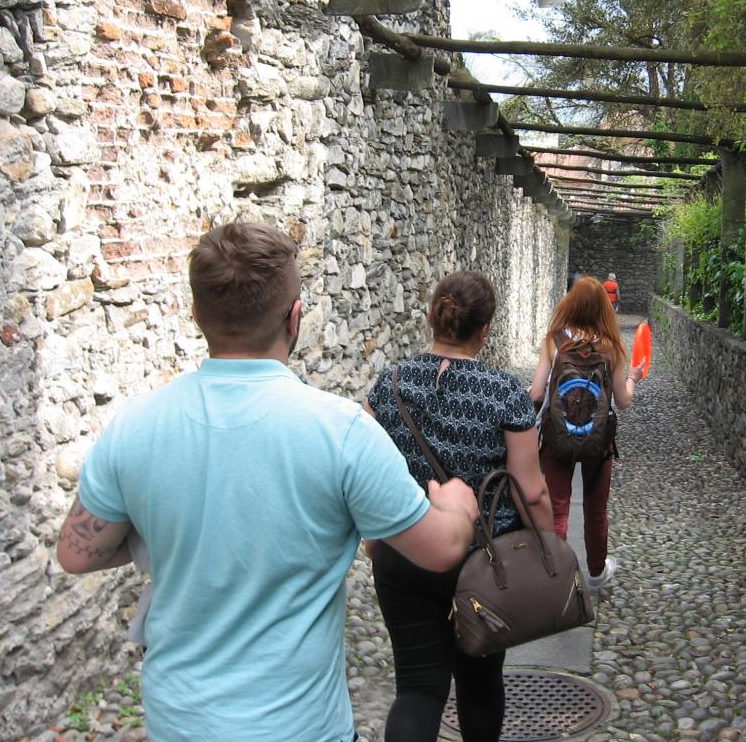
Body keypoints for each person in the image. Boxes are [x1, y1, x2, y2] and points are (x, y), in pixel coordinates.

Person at [55, 222, 478, 742]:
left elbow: (77, 554)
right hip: (300, 727)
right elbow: (440, 550)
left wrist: (167, 531)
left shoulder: (135, 425)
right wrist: (456, 505)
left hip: (178, 722)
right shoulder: (341, 432)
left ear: (197, 315)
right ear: (295, 317)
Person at [363, 271, 554, 742]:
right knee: (480, 681)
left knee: (416, 687)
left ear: (432, 318)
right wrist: (547, 548)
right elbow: (530, 491)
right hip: (484, 563)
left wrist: (373, 539)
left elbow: (364, 475)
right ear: (485, 329)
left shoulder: (386, 385)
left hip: (405, 549)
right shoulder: (505, 392)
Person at [530, 276, 644, 595]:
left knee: (557, 508)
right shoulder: (611, 346)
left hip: (556, 437)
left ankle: (555, 579)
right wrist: (633, 377)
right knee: (595, 509)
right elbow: (623, 401)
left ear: (570, 302)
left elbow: (537, 392)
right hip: (598, 442)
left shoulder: (554, 340)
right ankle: (595, 573)